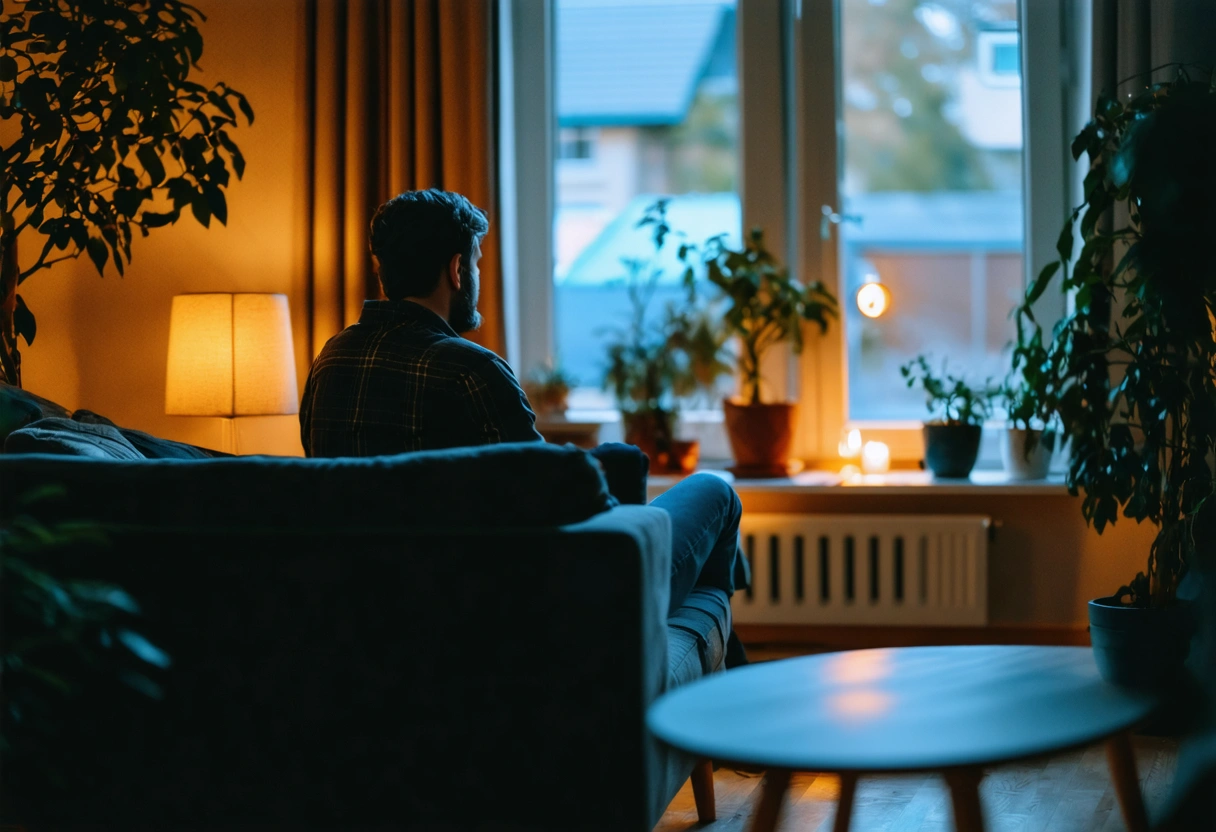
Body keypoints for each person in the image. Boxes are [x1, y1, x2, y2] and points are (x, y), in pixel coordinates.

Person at [300, 189, 749, 661]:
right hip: (527, 606)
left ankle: (721, 663)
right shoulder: (470, 371)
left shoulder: (329, 361)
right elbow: (557, 508)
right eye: (474, 263)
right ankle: (720, 673)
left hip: (380, 610)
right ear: (456, 270)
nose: (474, 275)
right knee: (715, 492)